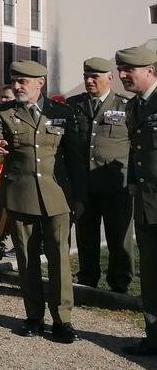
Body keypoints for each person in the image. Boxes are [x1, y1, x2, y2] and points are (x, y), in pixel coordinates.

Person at [0, 60, 83, 343]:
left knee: (59, 260)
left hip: (57, 197)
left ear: (40, 82)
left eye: (23, 82)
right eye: (14, 81)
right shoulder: (4, 112)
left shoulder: (61, 112)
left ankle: (63, 320)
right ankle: (34, 317)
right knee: (27, 260)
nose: (17, 86)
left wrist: (80, 197)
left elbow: (75, 158)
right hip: (21, 196)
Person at [67, 57, 133, 293]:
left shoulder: (126, 105)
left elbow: (136, 146)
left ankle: (120, 283)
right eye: (86, 76)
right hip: (84, 185)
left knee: (119, 237)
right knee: (86, 236)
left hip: (116, 185)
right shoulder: (72, 106)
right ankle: (87, 279)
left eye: (95, 76)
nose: (89, 80)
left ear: (109, 78)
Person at [118, 46, 157, 356]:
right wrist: (132, 183)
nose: (122, 75)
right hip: (145, 206)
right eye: (120, 69)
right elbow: (136, 152)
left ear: (150, 71)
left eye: (128, 70)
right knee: (151, 275)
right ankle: (154, 337)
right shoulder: (134, 107)